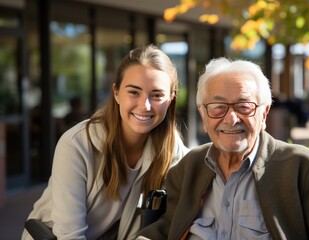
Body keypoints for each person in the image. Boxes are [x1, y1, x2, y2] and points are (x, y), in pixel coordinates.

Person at [137, 58, 309, 239]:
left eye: (244, 107)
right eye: (218, 107)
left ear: (264, 114)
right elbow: (167, 227)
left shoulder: (302, 167)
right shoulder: (188, 166)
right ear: (203, 115)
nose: (231, 119)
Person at [22, 45, 189, 240]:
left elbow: (171, 219)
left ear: (170, 99)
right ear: (116, 93)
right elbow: (69, 236)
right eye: (134, 92)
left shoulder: (171, 149)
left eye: (157, 95)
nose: (145, 106)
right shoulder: (76, 145)